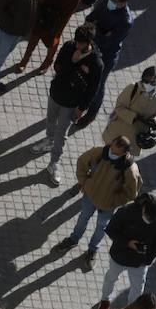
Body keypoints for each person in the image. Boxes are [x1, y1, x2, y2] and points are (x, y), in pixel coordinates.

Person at [40, 22, 103, 187]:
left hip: (71, 103)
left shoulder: (96, 63)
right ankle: (48, 140)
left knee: (62, 134)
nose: (77, 45)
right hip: (56, 94)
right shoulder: (69, 47)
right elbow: (57, 67)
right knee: (50, 120)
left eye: (81, 43)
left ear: (89, 42)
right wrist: (72, 61)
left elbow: (92, 89)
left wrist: (81, 108)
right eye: (76, 41)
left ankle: (54, 163)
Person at [63, 135, 142, 265]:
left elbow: (131, 193)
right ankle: (73, 239)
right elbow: (82, 161)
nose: (111, 151)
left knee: (101, 228)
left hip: (107, 206)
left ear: (124, 153)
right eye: (111, 147)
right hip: (89, 197)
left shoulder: (130, 169)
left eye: (115, 152)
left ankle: (92, 250)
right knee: (83, 218)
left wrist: (113, 201)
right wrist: (84, 182)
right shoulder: (99, 152)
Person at [94, 192, 156, 309]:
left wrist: (148, 259)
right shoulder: (127, 211)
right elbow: (111, 230)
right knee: (111, 278)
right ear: (144, 208)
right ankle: (105, 301)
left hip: (141, 261)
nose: (148, 222)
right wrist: (128, 243)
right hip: (120, 256)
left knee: (138, 287)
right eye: (147, 217)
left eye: (152, 221)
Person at [78, 0, 134, 127]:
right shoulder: (104, 1)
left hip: (106, 56)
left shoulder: (125, 21)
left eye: (116, 2)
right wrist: (100, 32)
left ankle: (91, 113)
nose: (112, 2)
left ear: (123, 3)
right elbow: (89, 19)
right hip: (91, 47)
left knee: (98, 84)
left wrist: (95, 30)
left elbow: (107, 42)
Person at [101, 66, 156, 154]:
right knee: (108, 154)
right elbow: (119, 107)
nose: (148, 85)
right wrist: (134, 117)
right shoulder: (133, 88)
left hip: (136, 138)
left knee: (124, 160)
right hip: (118, 132)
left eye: (152, 83)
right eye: (146, 81)